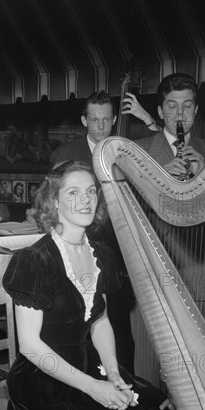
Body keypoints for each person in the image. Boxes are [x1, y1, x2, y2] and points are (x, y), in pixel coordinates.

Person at [3, 161, 205, 410]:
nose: (85, 200)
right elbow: (30, 346)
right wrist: (93, 388)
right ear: (53, 202)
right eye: (73, 192)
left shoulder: (101, 254)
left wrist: (111, 372)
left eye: (91, 191)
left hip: (89, 367)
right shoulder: (33, 261)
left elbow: (99, 321)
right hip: (42, 384)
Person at [50, 91, 136, 374]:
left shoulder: (127, 151)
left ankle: (124, 382)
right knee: (80, 327)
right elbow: (56, 205)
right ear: (84, 120)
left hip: (118, 254)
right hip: (77, 251)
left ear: (113, 120)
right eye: (94, 120)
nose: (100, 127)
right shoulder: (65, 154)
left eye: (106, 120)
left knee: (118, 327)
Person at [132, 73, 205, 324]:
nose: (180, 114)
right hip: (151, 272)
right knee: (148, 363)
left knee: (201, 359)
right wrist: (157, 177)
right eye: (172, 105)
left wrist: (203, 177)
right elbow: (121, 207)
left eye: (187, 105)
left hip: (199, 271)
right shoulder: (138, 150)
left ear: (196, 109)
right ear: (160, 111)